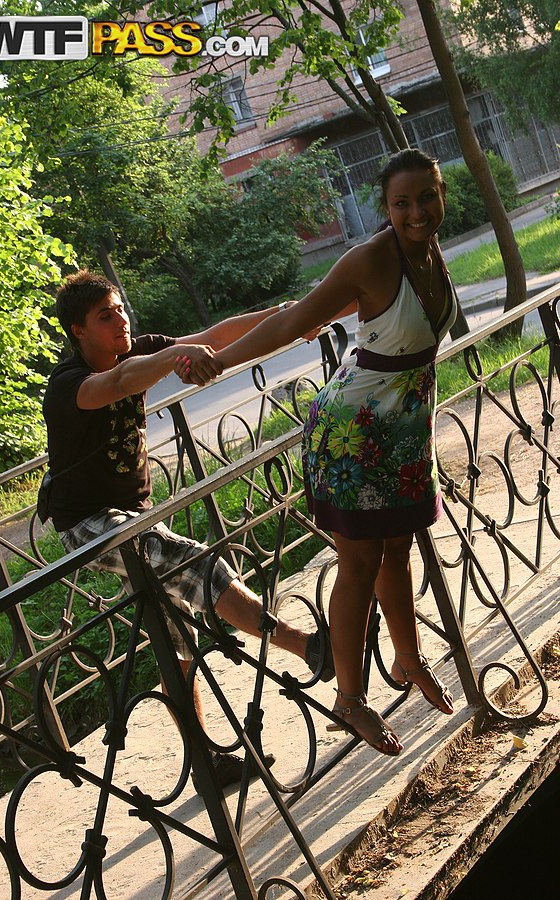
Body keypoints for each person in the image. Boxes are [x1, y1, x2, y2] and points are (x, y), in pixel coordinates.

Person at [177, 149, 457, 757]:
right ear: (385, 208)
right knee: (360, 561)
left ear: (441, 194)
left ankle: (408, 658)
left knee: (398, 550)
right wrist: (219, 360)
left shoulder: (430, 251)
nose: (416, 212)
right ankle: (350, 700)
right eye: (402, 203)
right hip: (353, 434)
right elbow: (293, 322)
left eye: (426, 198)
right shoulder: (370, 260)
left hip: (405, 430)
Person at [42, 269, 333, 789]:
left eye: (120, 309)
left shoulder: (136, 350)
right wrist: (176, 357)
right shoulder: (67, 385)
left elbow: (216, 335)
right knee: (195, 562)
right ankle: (307, 647)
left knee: (174, 636)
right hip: (86, 524)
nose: (120, 321)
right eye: (105, 316)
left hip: (133, 516)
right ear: (78, 331)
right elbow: (120, 383)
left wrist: (289, 316)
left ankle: (205, 764)